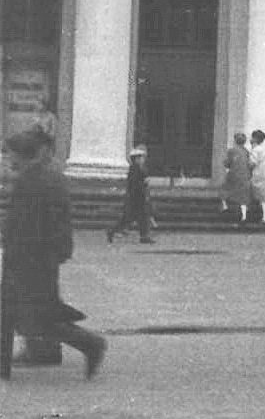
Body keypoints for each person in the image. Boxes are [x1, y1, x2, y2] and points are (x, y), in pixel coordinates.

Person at [2, 126, 106, 380]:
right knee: (33, 314)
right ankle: (89, 344)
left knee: (23, 314)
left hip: (29, 260)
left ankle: (91, 344)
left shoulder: (32, 181)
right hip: (38, 259)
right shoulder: (46, 177)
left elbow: (23, 225)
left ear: (23, 155)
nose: (9, 159)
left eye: (11, 154)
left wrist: (14, 253)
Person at [106, 146, 156, 244]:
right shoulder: (135, 169)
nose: (143, 160)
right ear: (136, 159)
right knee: (130, 218)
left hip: (139, 198)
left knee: (142, 218)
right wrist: (144, 184)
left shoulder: (140, 169)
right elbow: (136, 185)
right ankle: (112, 231)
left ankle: (144, 236)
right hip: (136, 198)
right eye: (141, 158)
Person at [222, 132, 252, 223]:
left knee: (224, 189)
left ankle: (225, 206)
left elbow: (227, 163)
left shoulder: (232, 151)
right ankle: (243, 216)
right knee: (243, 197)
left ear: (235, 140)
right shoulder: (246, 151)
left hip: (234, 174)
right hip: (245, 175)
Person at [248, 129, 265, 226]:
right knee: (264, 198)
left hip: (258, 175)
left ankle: (249, 216)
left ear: (255, 139)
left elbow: (252, 163)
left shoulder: (255, 150)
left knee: (255, 194)